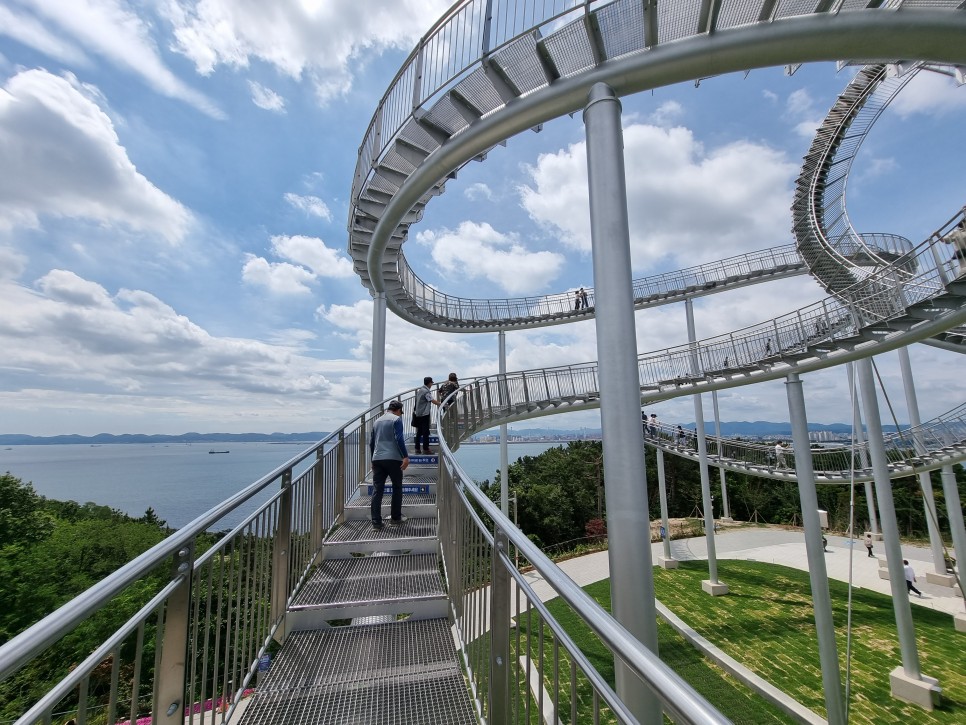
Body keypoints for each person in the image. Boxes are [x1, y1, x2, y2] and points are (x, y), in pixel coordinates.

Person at [369, 400, 410, 528]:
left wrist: (372, 459)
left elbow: (372, 442)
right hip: (393, 458)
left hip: (377, 459)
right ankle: (396, 518)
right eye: (400, 412)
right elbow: (399, 438)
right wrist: (405, 456)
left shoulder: (377, 421)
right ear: (398, 410)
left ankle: (376, 522)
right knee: (397, 487)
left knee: (377, 490)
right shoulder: (396, 420)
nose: (400, 414)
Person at [413, 376, 440, 454]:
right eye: (431, 383)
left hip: (418, 413)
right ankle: (426, 449)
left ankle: (417, 448)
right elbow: (432, 400)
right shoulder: (425, 391)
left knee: (419, 432)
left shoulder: (420, 390)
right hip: (424, 414)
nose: (432, 384)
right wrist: (442, 404)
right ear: (429, 383)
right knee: (425, 432)